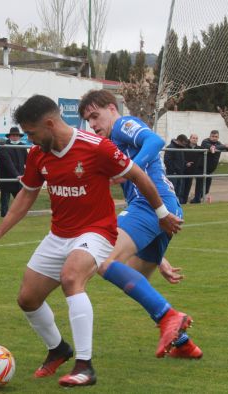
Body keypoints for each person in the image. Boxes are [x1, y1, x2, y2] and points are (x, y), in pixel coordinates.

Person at [0, 95, 182, 387]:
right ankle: (58, 349)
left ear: (49, 123)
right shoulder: (38, 154)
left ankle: (85, 366)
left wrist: (162, 214)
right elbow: (27, 193)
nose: (30, 140)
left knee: (72, 277)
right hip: (59, 233)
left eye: (32, 133)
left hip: (96, 231)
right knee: (28, 298)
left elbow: (139, 177)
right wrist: (0, 230)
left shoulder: (96, 147)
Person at [78, 89, 203, 360]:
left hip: (151, 205)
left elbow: (155, 141)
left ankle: (170, 317)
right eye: (88, 121)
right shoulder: (111, 144)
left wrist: (128, 168)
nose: (93, 124)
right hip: (160, 211)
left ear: (112, 108)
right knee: (133, 276)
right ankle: (183, 343)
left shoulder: (123, 125)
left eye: (95, 116)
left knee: (103, 260)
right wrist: (160, 258)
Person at [191, 130, 228, 203]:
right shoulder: (205, 141)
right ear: (210, 136)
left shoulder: (219, 143)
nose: (214, 138)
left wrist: (227, 146)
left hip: (210, 170)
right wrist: (219, 147)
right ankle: (196, 200)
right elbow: (208, 146)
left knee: (206, 189)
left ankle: (195, 199)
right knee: (199, 185)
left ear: (218, 137)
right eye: (212, 136)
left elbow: (227, 148)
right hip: (201, 168)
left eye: (216, 137)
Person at [0, 126, 28, 217]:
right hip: (6, 178)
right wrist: (17, 175)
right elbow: (8, 163)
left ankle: (19, 216)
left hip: (18, 180)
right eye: (13, 135)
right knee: (5, 202)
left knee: (20, 201)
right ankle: (4, 217)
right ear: (9, 136)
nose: (15, 137)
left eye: (17, 135)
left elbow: (28, 160)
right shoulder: (4, 147)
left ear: (19, 136)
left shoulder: (22, 146)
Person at [164, 133, 189, 201]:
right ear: (179, 141)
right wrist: (174, 170)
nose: (184, 145)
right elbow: (167, 161)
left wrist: (185, 164)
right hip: (173, 173)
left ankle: (177, 203)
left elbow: (180, 160)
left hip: (179, 173)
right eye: (184, 143)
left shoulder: (180, 147)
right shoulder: (170, 147)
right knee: (172, 191)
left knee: (179, 191)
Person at [180, 133, 202, 204]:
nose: (195, 139)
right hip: (183, 170)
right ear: (190, 139)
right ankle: (181, 202)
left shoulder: (199, 148)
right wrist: (186, 163)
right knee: (181, 187)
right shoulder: (184, 147)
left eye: (196, 138)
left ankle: (185, 202)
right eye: (193, 138)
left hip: (192, 171)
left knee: (187, 187)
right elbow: (181, 157)